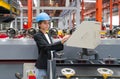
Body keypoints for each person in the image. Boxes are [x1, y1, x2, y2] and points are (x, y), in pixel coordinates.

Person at [33, 12, 70, 79]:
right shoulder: (37, 35)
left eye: (48, 23)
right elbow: (46, 47)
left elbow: (51, 47)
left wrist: (62, 42)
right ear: (39, 24)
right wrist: (61, 41)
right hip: (42, 65)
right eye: (45, 23)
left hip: (50, 64)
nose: (47, 25)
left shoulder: (48, 35)